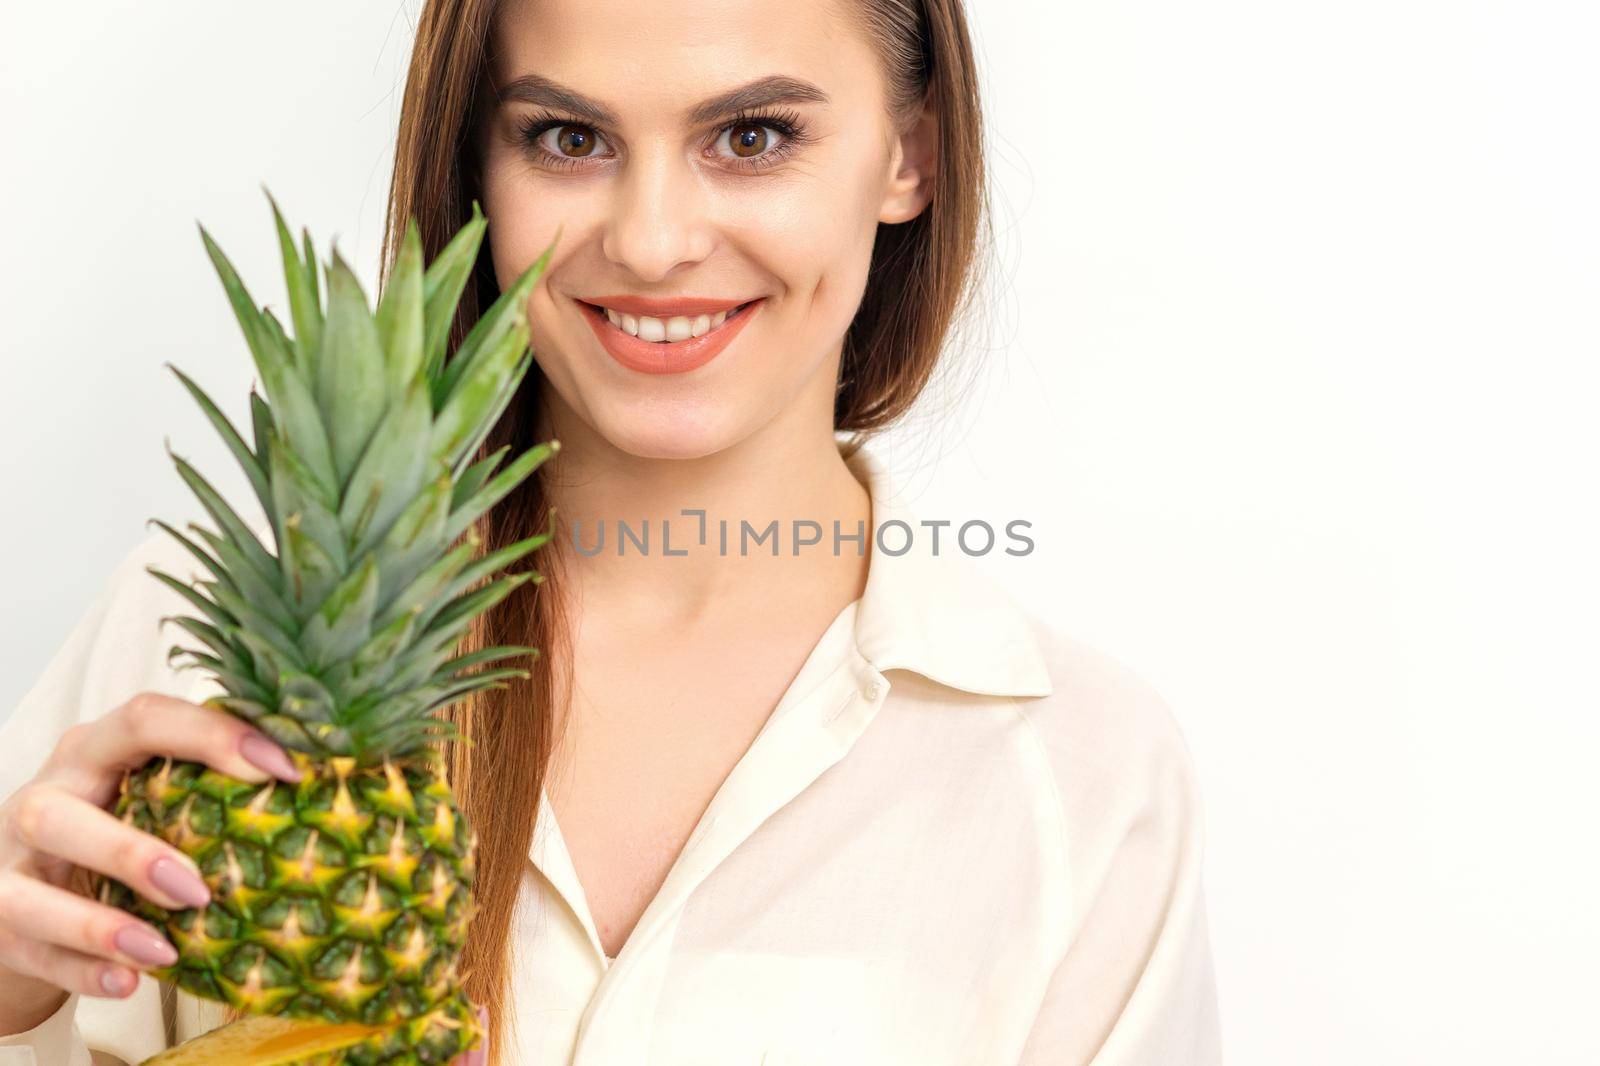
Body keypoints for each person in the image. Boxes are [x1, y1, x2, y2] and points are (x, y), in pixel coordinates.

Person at [0, 0, 1223, 1062]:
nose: (648, 241)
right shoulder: (191, 644)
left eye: (752, 137)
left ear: (908, 156)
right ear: (479, 166)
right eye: (567, 138)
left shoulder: (1080, 776)